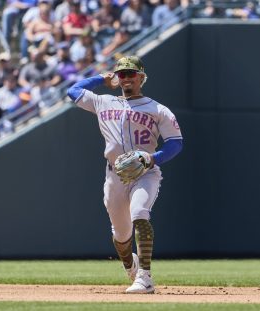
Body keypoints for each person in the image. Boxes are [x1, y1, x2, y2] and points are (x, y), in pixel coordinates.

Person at [67, 56, 183, 294]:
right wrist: (102, 78)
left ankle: (145, 278)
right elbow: (73, 90)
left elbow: (175, 143)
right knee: (121, 235)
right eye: (122, 74)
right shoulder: (103, 102)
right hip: (114, 176)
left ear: (142, 77)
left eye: (131, 74)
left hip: (145, 172)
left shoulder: (157, 109)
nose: (127, 78)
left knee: (140, 213)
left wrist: (153, 158)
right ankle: (130, 266)